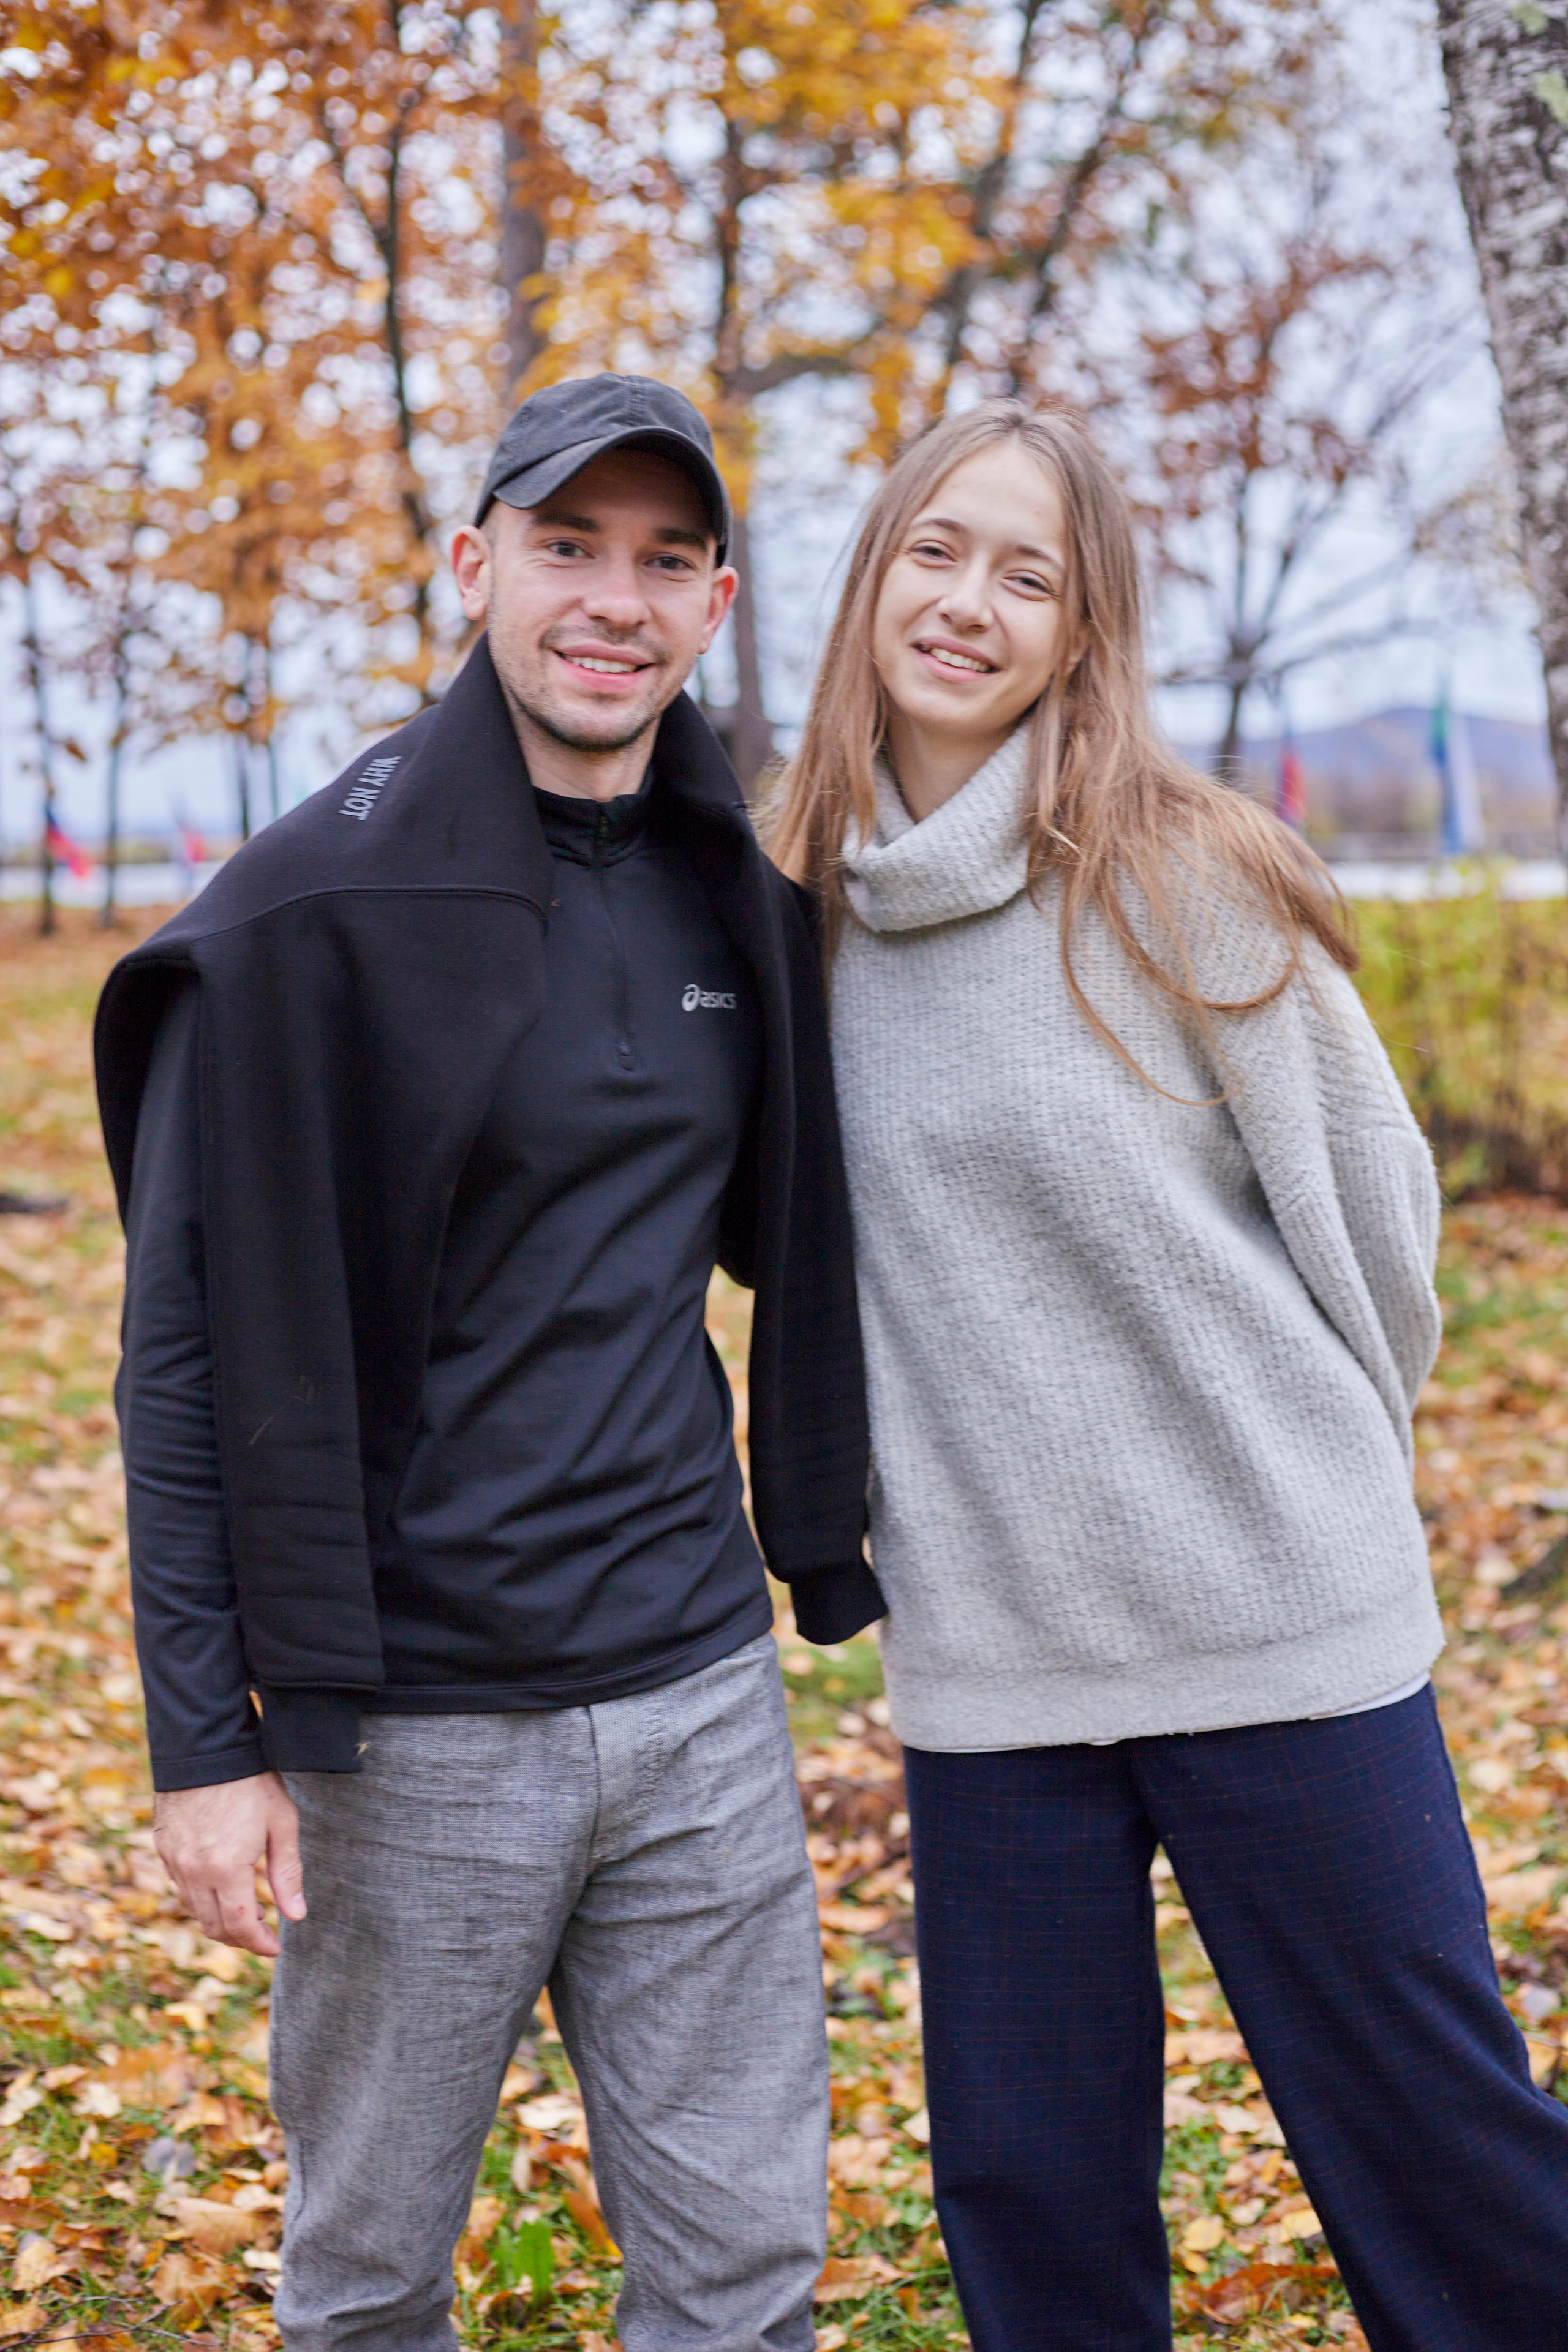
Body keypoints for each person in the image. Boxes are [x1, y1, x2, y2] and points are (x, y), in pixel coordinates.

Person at [767, 394, 1568, 2352]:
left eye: (1026, 573)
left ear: (1083, 629)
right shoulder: (790, 917)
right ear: (874, 576)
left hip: (1276, 1617)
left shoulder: (1186, 874)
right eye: (936, 551)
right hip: (994, 1662)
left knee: (1443, 2159)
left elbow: (1376, 1222)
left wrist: (1294, 1485)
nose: (967, 602)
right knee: (1033, 2193)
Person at [97, 372, 884, 2352]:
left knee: (744, 2280)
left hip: (700, 1694)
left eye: (664, 560)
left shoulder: (742, 904)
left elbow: (813, 1230)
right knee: (369, 2284)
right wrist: (211, 1746)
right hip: (418, 1726)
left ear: (715, 607)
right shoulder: (301, 920)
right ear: (473, 568)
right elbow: (181, 1357)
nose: (612, 601)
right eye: (566, 547)